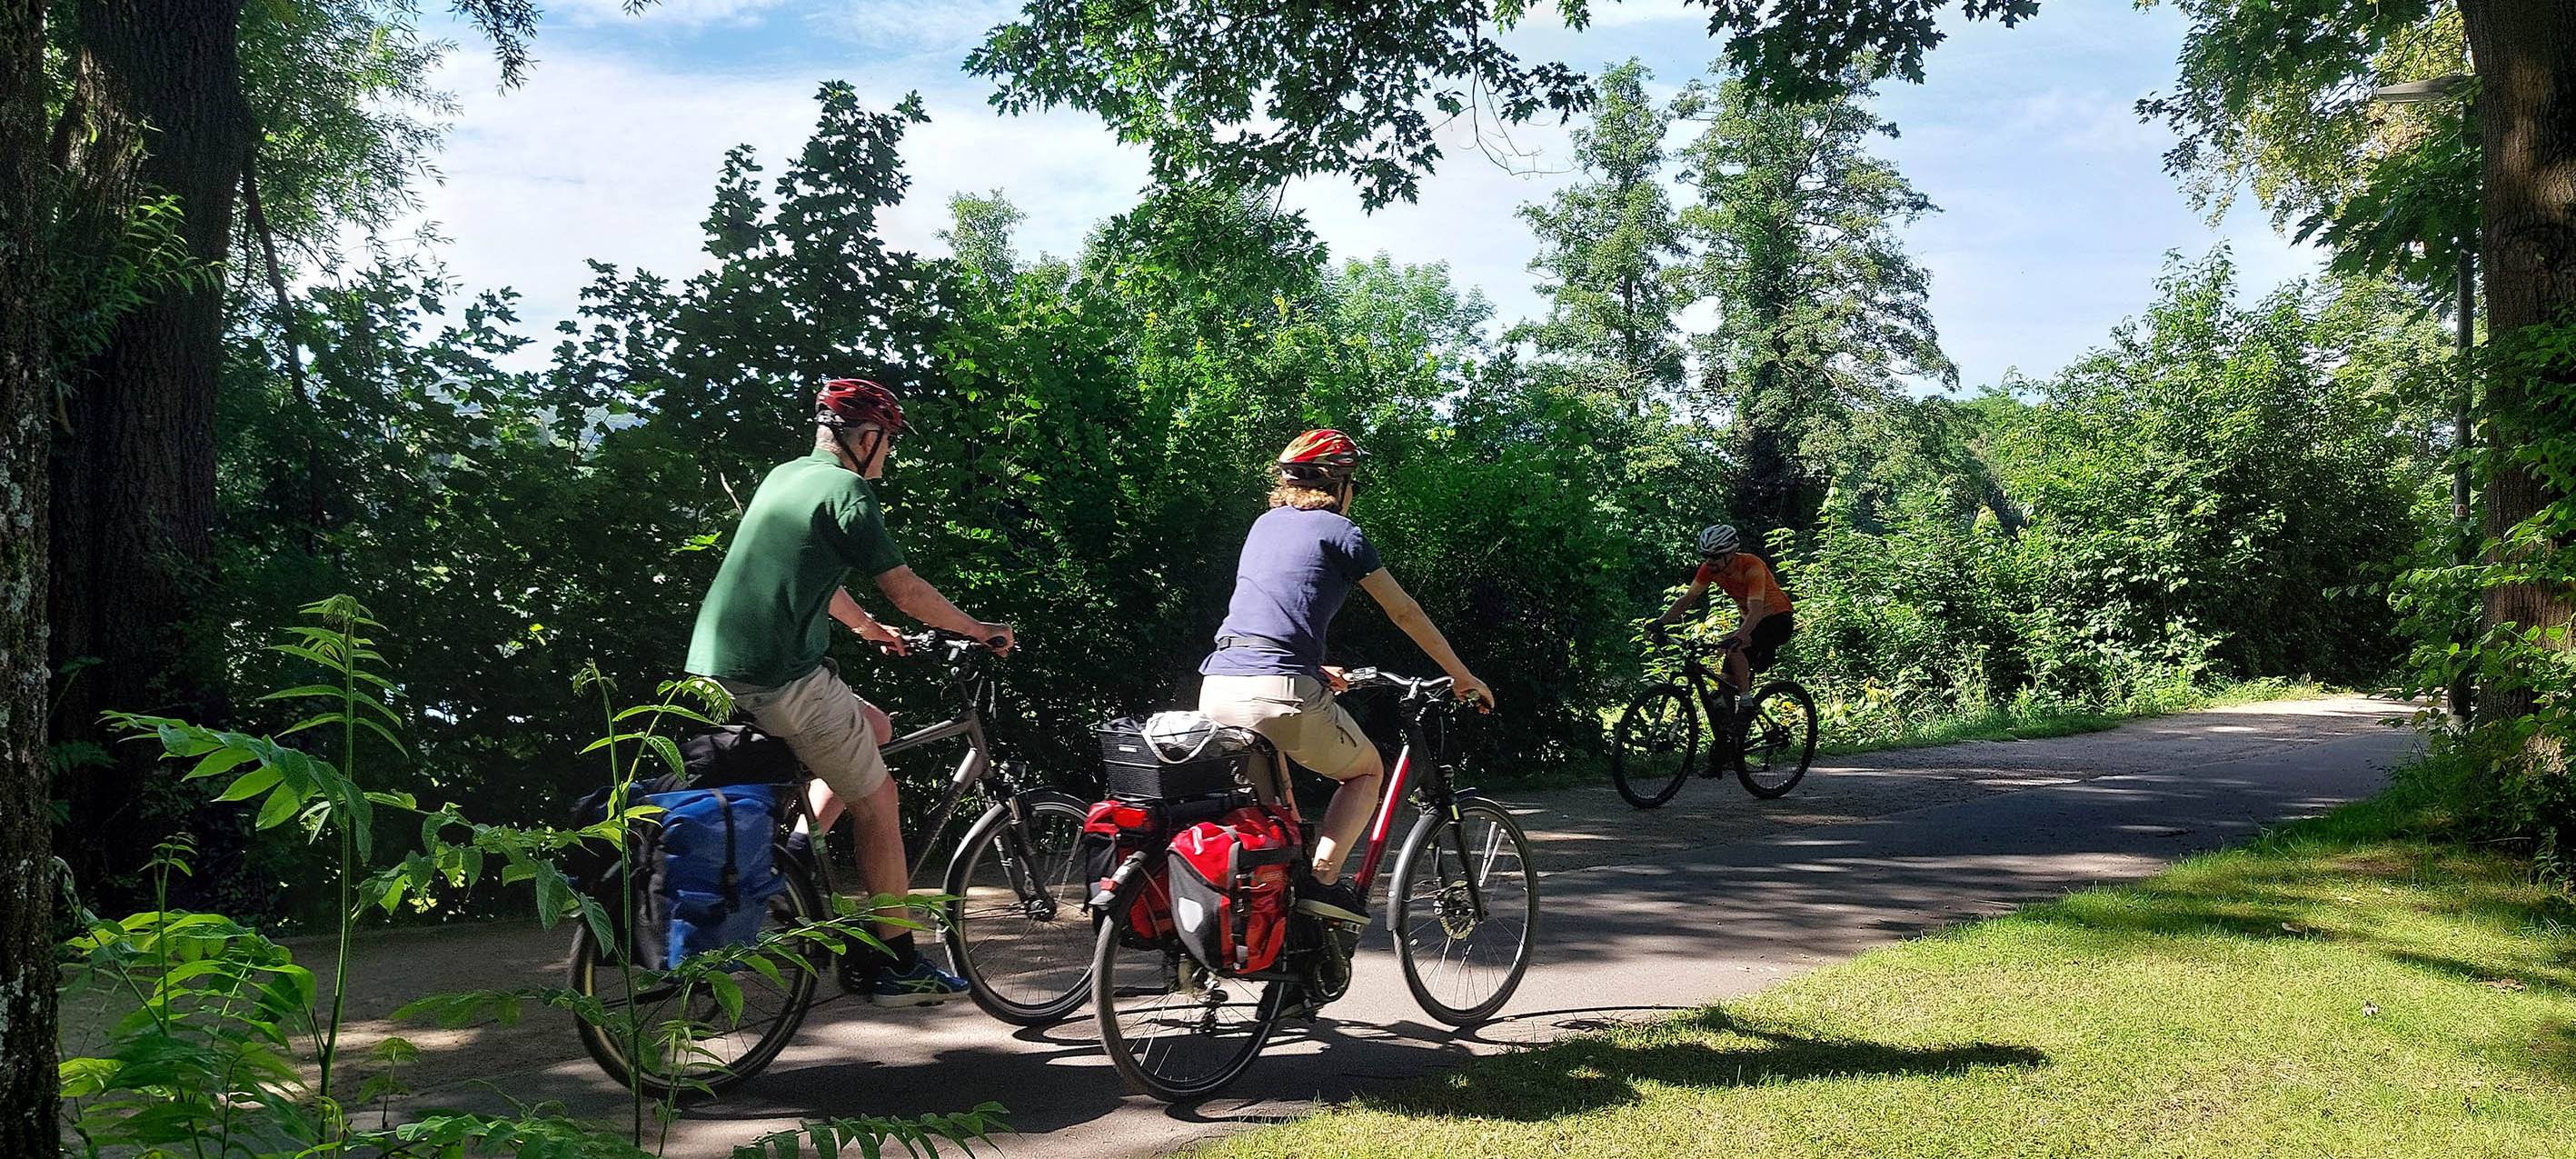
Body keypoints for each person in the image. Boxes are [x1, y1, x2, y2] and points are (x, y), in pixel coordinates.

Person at [684, 377, 1015, 1006]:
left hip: (714, 669)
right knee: (880, 800)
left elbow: (806, 573)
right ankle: (896, 962)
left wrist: (866, 629)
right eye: (887, 441)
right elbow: (906, 588)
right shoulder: (847, 491)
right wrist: (981, 630)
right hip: (778, 677)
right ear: (863, 438)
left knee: (877, 726)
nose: (888, 454)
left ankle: (794, 855)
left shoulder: (783, 478)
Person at [1197, 428, 1495, 924]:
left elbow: (1267, 611)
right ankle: (1324, 882)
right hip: (1279, 692)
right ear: (1338, 485)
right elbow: (1405, 612)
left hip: (1219, 688)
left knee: (1275, 838)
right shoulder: (1341, 533)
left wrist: (1311, 664)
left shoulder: (1263, 525)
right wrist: (1464, 677)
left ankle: (1287, 968)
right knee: (1365, 771)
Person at [1652, 524, 1796, 696]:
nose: (1709, 561)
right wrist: (1660, 622)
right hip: (1750, 620)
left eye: (1715, 556)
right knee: (1726, 683)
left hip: (1777, 619)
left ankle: (1746, 703)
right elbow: (1687, 600)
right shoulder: (1709, 569)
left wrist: (1738, 636)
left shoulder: (1751, 566)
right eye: (1705, 556)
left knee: (1734, 647)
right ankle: (1730, 721)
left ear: (1730, 553)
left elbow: (1756, 611)